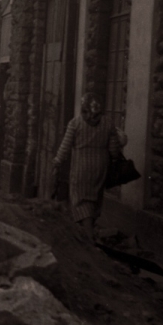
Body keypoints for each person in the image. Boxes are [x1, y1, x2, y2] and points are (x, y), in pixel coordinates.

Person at [52, 92, 123, 241]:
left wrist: (57, 161)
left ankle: (89, 238)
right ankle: (87, 231)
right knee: (94, 197)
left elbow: (65, 147)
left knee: (81, 199)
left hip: (81, 166)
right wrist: (114, 159)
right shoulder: (108, 123)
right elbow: (114, 150)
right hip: (100, 166)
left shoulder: (75, 123)